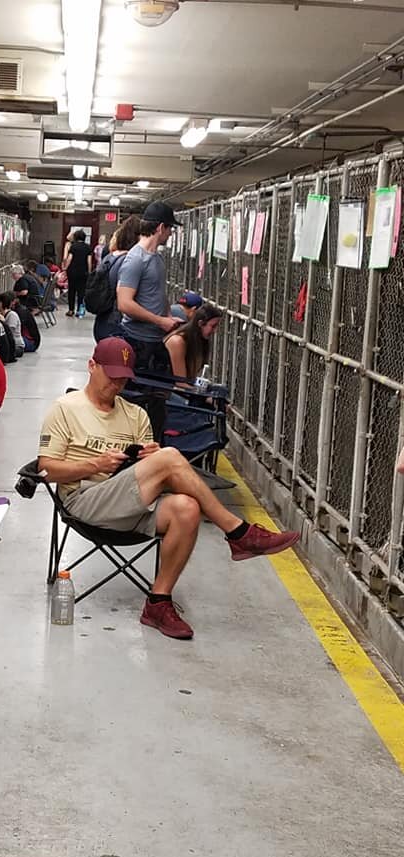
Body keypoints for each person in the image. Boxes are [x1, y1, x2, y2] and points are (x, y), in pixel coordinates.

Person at [37, 337, 300, 640]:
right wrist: (95, 465)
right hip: (85, 500)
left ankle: (158, 602)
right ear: (92, 366)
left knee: (186, 509)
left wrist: (150, 457)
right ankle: (238, 533)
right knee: (171, 458)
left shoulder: (135, 414)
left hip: (133, 502)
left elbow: (150, 467)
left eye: (123, 379)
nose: (117, 385)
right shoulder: (65, 409)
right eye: (111, 376)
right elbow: (45, 468)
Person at [117, 200, 183, 372]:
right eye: (170, 229)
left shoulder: (157, 258)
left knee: (157, 393)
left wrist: (168, 315)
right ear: (161, 227)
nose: (170, 234)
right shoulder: (136, 259)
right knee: (139, 394)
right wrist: (160, 321)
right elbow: (124, 303)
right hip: (137, 340)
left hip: (155, 338)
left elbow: (158, 292)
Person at [92, 215, 141, 343]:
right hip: (116, 324)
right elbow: (122, 297)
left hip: (102, 320)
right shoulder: (128, 261)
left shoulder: (110, 257)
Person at [164, 304, 223, 381]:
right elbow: (180, 382)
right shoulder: (178, 341)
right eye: (213, 326)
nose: (215, 331)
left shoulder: (199, 341)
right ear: (200, 323)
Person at [64, 229, 93, 317]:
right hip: (83, 272)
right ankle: (79, 311)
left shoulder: (73, 246)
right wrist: (89, 272)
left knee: (71, 291)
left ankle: (71, 310)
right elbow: (89, 261)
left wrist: (66, 268)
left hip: (72, 271)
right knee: (81, 292)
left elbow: (69, 258)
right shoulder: (88, 247)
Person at [0, 291, 25, 358]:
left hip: (17, 347)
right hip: (10, 345)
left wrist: (3, 322)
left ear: (0, 304)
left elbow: (9, 333)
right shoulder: (2, 315)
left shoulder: (12, 315)